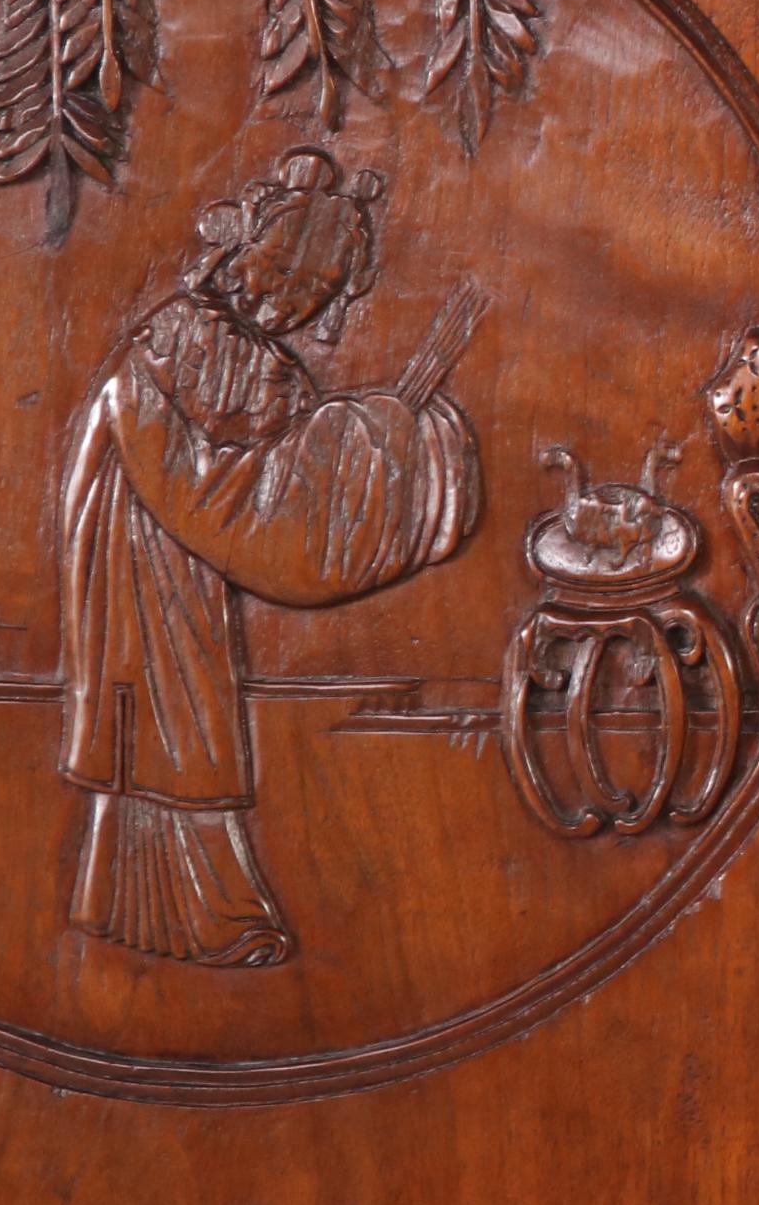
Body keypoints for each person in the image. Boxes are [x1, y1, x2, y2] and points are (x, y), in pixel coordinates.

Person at [55, 148, 486, 967]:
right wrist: (389, 443)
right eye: (303, 292)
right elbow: (229, 490)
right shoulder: (184, 343)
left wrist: (390, 437)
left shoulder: (240, 357)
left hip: (169, 553)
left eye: (316, 300)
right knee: (169, 718)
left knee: (172, 718)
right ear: (263, 270)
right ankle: (200, 911)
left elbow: (277, 475)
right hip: (141, 553)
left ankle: (133, 904)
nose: (302, 313)